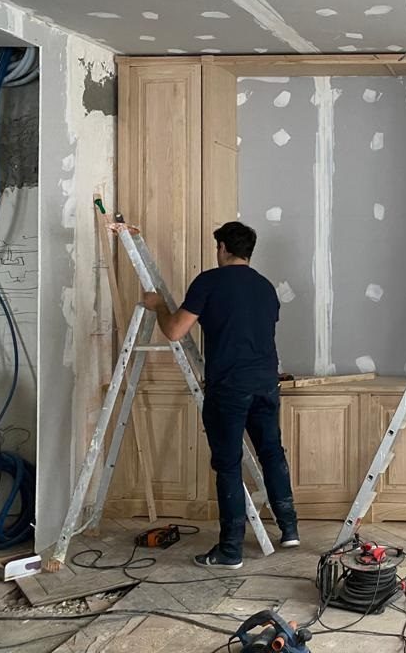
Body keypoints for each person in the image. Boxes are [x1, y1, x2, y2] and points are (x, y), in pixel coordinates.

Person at [143, 221, 298, 569]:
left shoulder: (210, 282)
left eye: (218, 247)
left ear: (224, 248)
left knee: (228, 464)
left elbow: (173, 331)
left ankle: (230, 550)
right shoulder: (265, 287)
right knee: (272, 452)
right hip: (265, 383)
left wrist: (157, 306)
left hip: (229, 387)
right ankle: (289, 529)